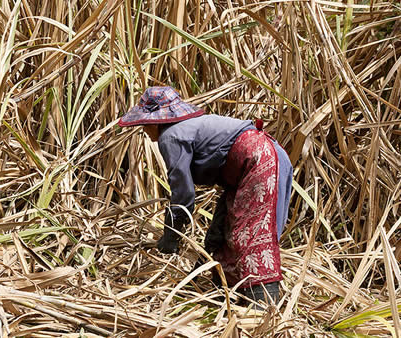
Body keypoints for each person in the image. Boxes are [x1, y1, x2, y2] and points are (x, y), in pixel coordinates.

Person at [119, 86, 293, 306]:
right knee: (221, 231)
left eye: (144, 124)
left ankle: (262, 309)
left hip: (259, 160)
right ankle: (229, 299)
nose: (144, 130)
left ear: (155, 121)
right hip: (251, 166)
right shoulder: (182, 130)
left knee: (250, 235)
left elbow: (183, 194)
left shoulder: (170, 137)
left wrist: (171, 237)